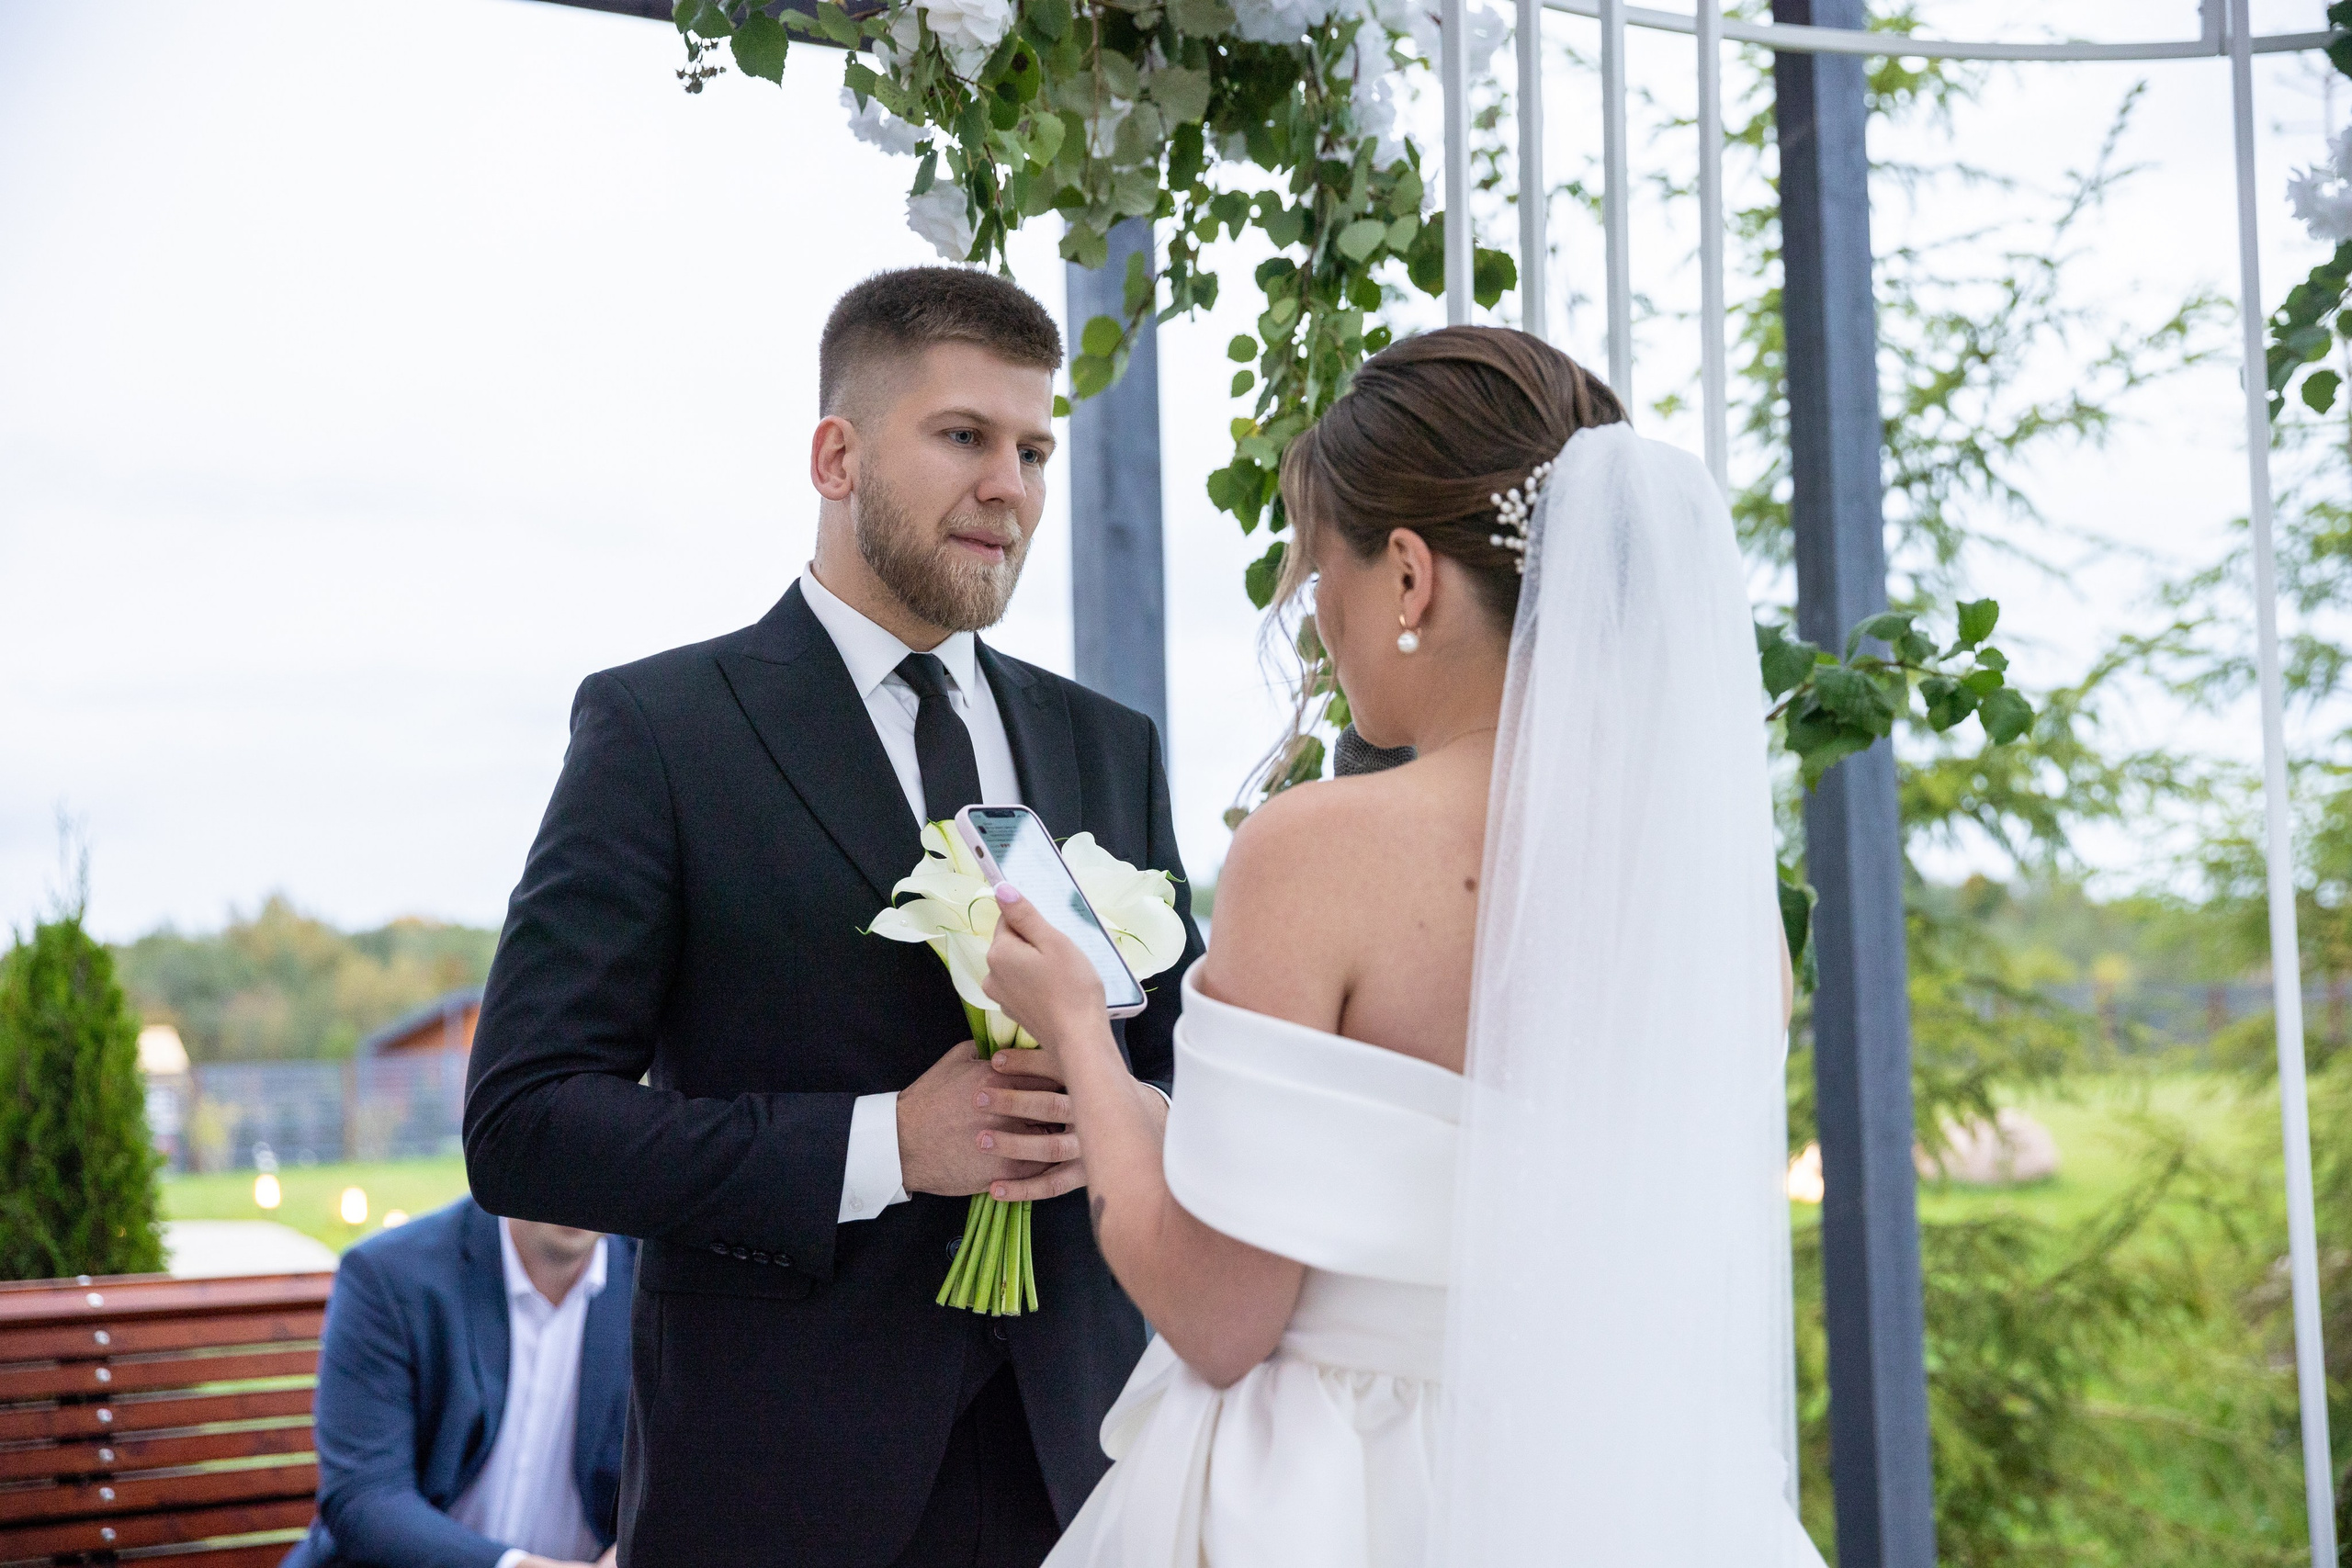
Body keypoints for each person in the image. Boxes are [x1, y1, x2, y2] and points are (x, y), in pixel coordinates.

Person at [978, 325, 1823, 1566]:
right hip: (1625, 1495)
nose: (1319, 613)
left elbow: (1220, 1312)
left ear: (1412, 576)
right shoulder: (1721, 915)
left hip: (1353, 1500)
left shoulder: (1317, 849)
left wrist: (1080, 1042)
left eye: (1326, 569)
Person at [461, 265, 1204, 1566]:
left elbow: (1188, 1082)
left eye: (1033, 449)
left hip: (1088, 1474)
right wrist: (889, 1144)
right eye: (965, 436)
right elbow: (525, 1124)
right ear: (836, 453)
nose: (1012, 487)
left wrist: (1111, 1106)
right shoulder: (661, 731)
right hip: (778, 1488)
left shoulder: (1111, 746)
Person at [281, 1198, 634, 1568]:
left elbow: (685, 1484)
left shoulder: (660, 1287)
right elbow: (365, 1498)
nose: (582, 1181)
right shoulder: (389, 1273)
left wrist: (633, 1553)